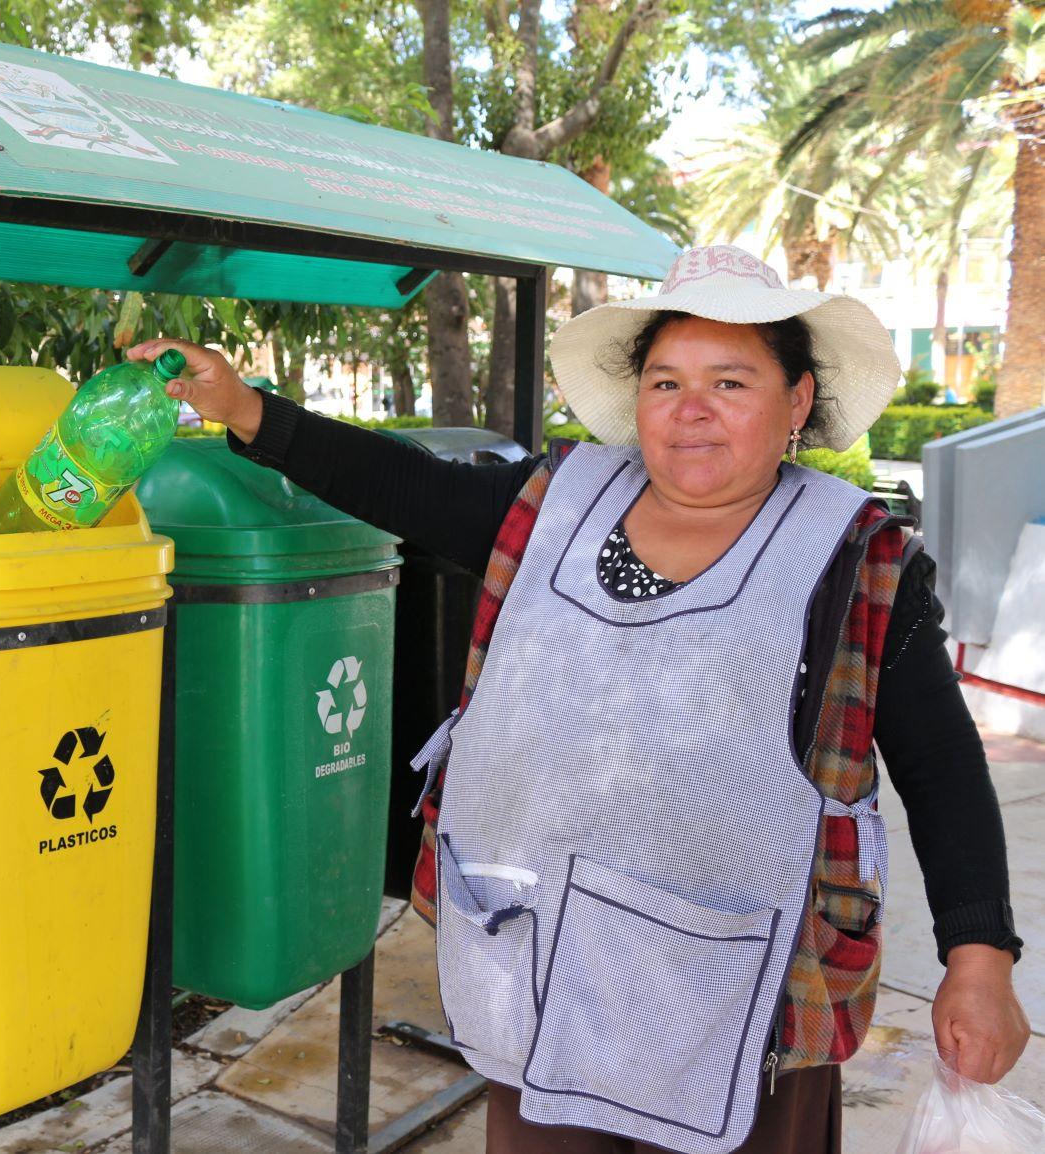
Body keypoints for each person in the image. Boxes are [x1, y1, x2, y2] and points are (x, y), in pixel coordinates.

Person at [129, 245, 1027, 1154]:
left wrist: (979, 958)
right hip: (544, 977)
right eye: (666, 382)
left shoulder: (855, 558)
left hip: (747, 997)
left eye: (731, 381)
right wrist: (243, 409)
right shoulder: (556, 503)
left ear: (797, 402)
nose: (692, 412)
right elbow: (406, 486)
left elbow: (944, 768)